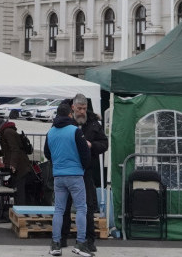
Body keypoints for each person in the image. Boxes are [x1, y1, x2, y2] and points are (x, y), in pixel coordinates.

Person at [60, 94, 107, 252]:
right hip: (68, 169)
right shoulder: (65, 122)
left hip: (86, 170)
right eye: (79, 109)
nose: (82, 112)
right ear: (73, 108)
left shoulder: (93, 122)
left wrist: (91, 145)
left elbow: (104, 143)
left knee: (87, 206)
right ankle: (62, 237)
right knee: (64, 205)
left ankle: (89, 240)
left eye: (84, 109)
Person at [45, 103, 92, 257]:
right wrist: (83, 168)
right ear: (70, 115)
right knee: (81, 208)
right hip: (75, 174)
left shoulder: (50, 132)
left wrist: (57, 165)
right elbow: (85, 153)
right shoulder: (75, 131)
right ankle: (81, 243)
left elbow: (47, 153)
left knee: (59, 209)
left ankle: (55, 244)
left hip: (58, 175)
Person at [0, 116, 32, 206]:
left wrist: (13, 164)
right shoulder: (5, 132)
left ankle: (21, 213)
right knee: (17, 191)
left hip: (20, 167)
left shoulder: (8, 132)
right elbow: (6, 151)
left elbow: (15, 149)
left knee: (19, 192)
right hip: (18, 167)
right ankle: (19, 210)